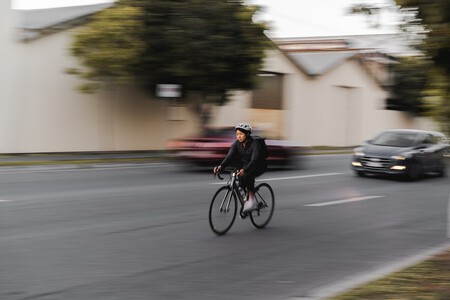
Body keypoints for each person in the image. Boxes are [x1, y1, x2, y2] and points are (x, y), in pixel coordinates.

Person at [213, 123, 267, 212]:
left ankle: (250, 201)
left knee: (248, 176)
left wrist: (245, 170)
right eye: (237, 134)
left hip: (259, 164)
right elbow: (229, 156)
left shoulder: (255, 144)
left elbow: (254, 160)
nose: (239, 136)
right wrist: (221, 166)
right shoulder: (236, 144)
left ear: (247, 134)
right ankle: (245, 195)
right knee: (240, 178)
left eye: (241, 134)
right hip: (247, 164)